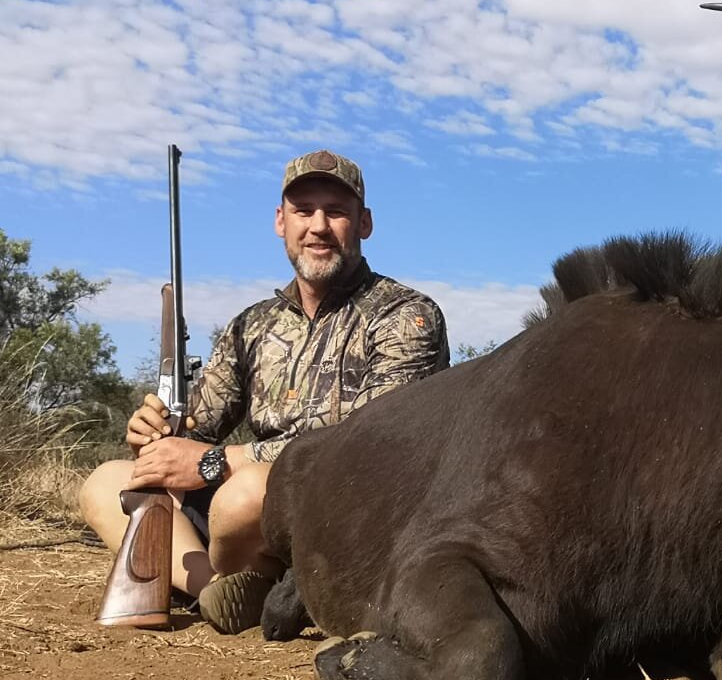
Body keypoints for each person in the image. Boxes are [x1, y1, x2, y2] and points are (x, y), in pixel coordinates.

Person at [80, 149, 449, 633]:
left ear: (364, 224)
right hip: (240, 516)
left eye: (335, 212)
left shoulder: (406, 315)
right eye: (303, 211)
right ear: (281, 222)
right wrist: (153, 439)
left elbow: (373, 446)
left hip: (343, 511)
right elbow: (199, 424)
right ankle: (218, 590)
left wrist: (215, 462)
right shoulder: (251, 325)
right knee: (108, 480)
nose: (317, 226)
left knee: (247, 492)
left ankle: (276, 587)